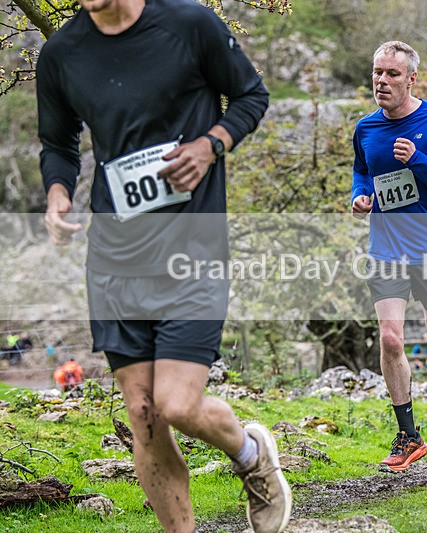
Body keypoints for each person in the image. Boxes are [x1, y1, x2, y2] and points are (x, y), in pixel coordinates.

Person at [36, 1, 289, 532]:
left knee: (176, 402)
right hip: (115, 256)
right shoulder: (62, 52)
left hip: (192, 248)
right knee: (144, 417)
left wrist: (209, 145)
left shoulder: (188, 24)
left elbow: (251, 95)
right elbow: (58, 143)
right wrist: (57, 194)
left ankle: (251, 455)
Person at [350, 41, 427, 473]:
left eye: (392, 74)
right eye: (377, 72)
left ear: (412, 79)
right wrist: (360, 194)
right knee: (390, 339)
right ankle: (409, 434)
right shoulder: (366, 128)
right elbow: (362, 169)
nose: (382, 81)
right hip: (386, 249)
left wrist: (419, 160)